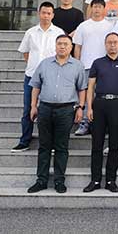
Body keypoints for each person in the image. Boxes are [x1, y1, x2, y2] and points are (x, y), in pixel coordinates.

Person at [27, 34, 86, 194]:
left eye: (66, 44)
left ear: (71, 47)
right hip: (45, 108)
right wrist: (33, 106)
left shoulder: (77, 66)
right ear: (55, 46)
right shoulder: (45, 64)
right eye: (59, 43)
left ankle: (59, 180)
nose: (62, 46)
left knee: (61, 146)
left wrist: (80, 107)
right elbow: (36, 86)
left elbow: (82, 88)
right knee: (44, 146)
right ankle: (41, 180)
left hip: (66, 110)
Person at [83, 32, 118, 193]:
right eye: (109, 42)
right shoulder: (98, 63)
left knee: (114, 144)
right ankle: (95, 180)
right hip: (99, 104)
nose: (112, 45)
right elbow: (91, 86)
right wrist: (89, 107)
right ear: (105, 45)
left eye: (115, 42)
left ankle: (111, 180)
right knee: (97, 144)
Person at [13, 2, 65, 153]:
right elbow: (26, 52)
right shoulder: (30, 32)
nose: (46, 16)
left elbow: (63, 53)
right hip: (32, 76)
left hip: (52, 78)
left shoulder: (58, 32)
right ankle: (25, 140)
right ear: (39, 13)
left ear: (53, 15)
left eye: (49, 13)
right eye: (43, 13)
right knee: (28, 109)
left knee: (50, 111)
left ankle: (51, 143)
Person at [73, 0, 114, 136]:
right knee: (85, 95)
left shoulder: (110, 26)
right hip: (86, 65)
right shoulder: (83, 26)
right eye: (94, 6)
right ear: (90, 8)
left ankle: (101, 123)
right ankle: (84, 123)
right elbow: (77, 46)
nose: (97, 9)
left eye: (99, 7)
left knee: (101, 95)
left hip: (105, 66)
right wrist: (77, 63)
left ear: (104, 9)